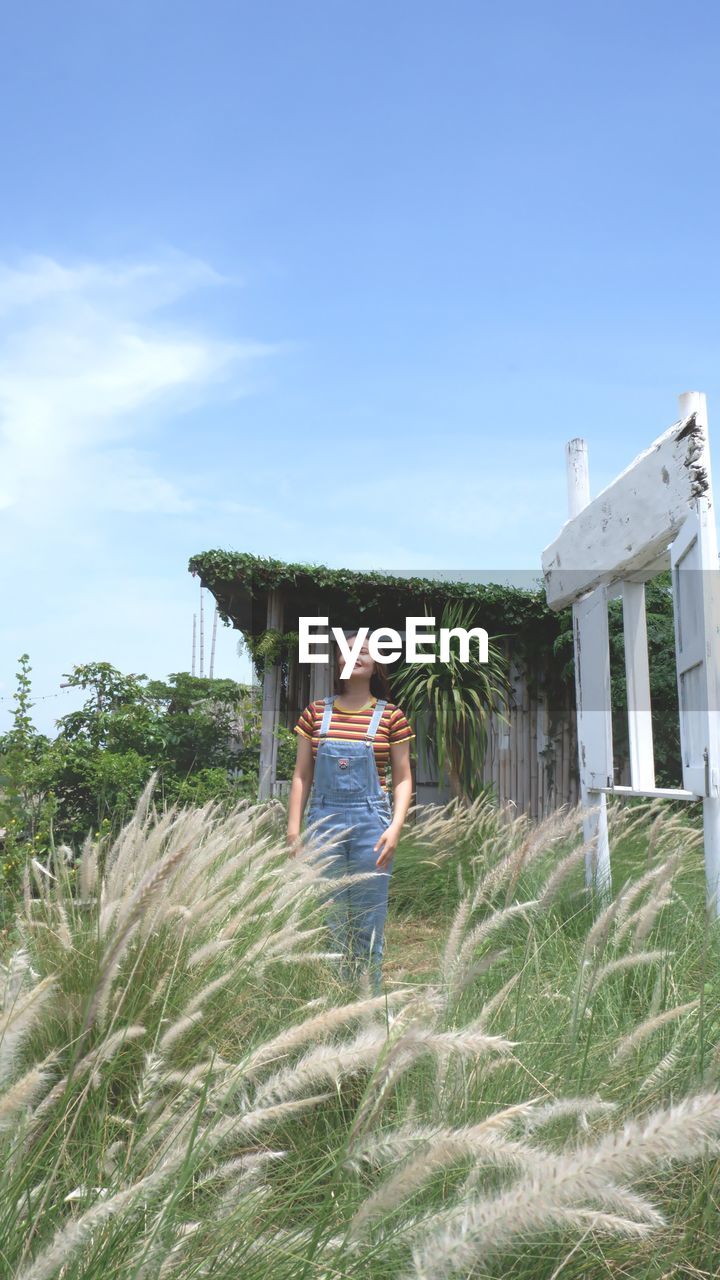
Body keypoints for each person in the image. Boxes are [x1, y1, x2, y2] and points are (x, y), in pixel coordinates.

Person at [286, 630, 414, 992]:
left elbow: (403, 779)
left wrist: (396, 826)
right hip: (321, 824)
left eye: (364, 651)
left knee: (368, 921)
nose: (354, 656)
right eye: (346, 651)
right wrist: (294, 830)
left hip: (372, 827)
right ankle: (332, 1000)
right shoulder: (315, 712)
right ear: (338, 662)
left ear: (377, 664)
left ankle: (366, 999)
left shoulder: (391, 716)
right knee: (330, 920)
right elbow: (301, 775)